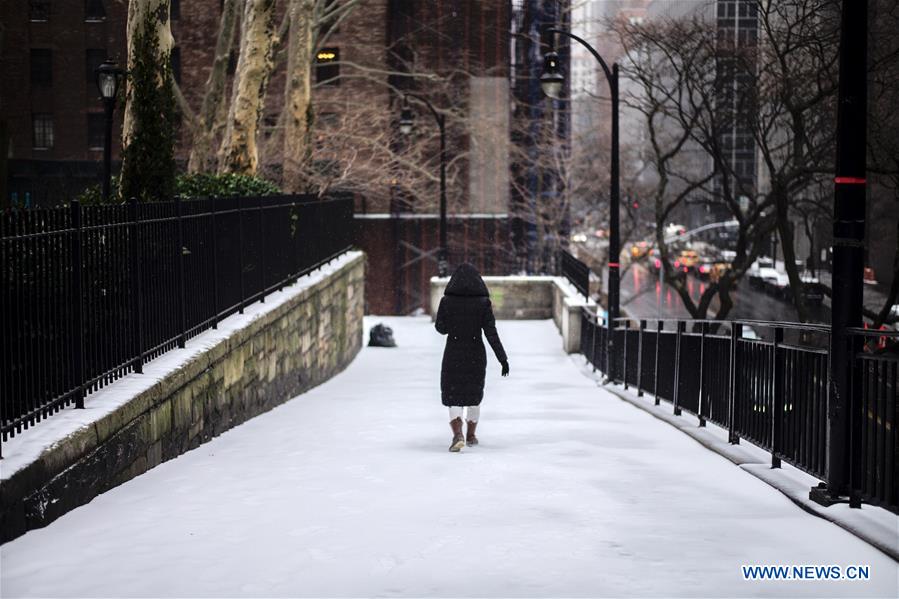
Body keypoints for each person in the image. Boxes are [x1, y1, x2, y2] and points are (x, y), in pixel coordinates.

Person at [435, 263, 509, 452]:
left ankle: (457, 433)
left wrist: (451, 319)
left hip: (453, 351)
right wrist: (503, 359)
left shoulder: (447, 301)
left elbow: (441, 329)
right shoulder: (483, 303)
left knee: (454, 395)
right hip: (476, 352)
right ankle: (471, 435)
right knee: (473, 396)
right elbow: (491, 333)